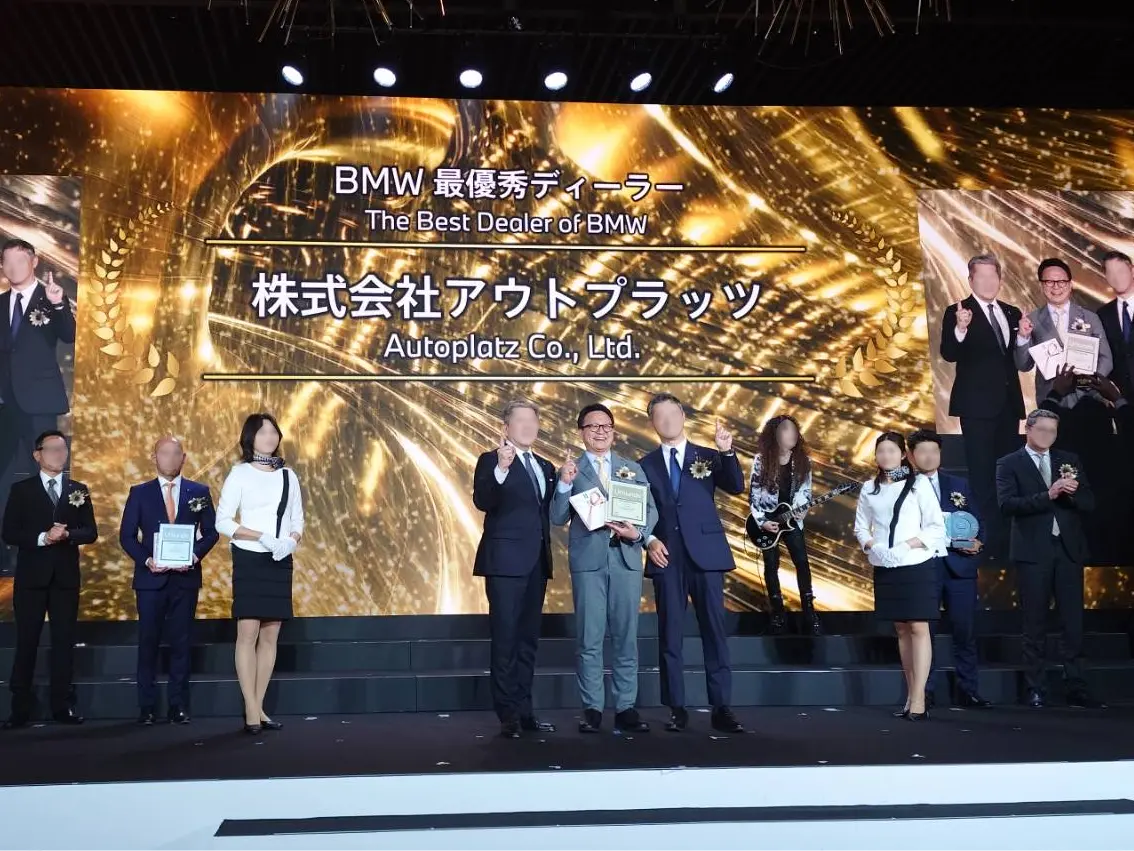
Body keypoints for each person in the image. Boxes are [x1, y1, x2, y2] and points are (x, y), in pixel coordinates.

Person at [640, 393, 746, 734]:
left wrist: (727, 451)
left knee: (714, 631)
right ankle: (676, 707)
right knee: (670, 634)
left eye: (672, 413)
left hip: (706, 555)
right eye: (660, 416)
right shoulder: (644, 465)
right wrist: (648, 539)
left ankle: (722, 707)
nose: (667, 420)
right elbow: (640, 512)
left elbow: (735, 485)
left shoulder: (709, 456)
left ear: (683, 416)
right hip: (666, 557)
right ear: (653, 423)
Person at [551, 403, 656, 734]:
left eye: (606, 426)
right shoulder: (571, 470)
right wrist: (564, 485)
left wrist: (638, 534)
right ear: (581, 432)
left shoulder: (631, 468)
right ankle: (592, 708)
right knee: (590, 637)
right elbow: (557, 517)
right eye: (593, 426)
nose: (600, 431)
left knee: (626, 636)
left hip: (625, 559)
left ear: (614, 431)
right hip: (589, 563)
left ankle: (626, 706)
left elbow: (650, 510)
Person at [996, 409, 1105, 709]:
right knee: (1035, 622)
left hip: (1068, 550)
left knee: (1073, 623)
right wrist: (1049, 494)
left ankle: (1077, 685)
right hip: (1033, 552)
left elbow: (1089, 502)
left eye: (1053, 431)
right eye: (1042, 430)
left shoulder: (1068, 460)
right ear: (1028, 429)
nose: (1047, 436)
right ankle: (1036, 687)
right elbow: (1007, 505)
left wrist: (1073, 493)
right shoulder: (1009, 463)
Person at [119, 436, 219, 725]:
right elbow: (127, 536)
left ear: (184, 458)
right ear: (154, 457)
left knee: (181, 643)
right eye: (165, 453)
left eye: (176, 453)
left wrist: (194, 556)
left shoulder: (199, 491)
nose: (171, 459)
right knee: (147, 642)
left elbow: (211, 532)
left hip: (185, 579)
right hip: (151, 579)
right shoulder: (140, 493)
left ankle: (178, 705)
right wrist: (148, 560)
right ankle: (147, 707)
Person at [472, 399, 557, 739]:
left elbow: (548, 511)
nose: (527, 426)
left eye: (532, 420)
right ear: (506, 428)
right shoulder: (491, 459)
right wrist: (502, 469)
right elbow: (483, 500)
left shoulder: (545, 466)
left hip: (537, 562)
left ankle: (525, 710)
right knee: (506, 638)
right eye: (520, 420)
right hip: (505, 562)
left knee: (527, 641)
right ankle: (507, 713)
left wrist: (565, 483)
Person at [215, 413, 304, 734]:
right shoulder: (239, 473)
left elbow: (298, 519)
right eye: (263, 432)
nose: (269, 437)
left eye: (273, 432)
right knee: (248, 632)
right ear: (250, 437)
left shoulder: (288, 475)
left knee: (270, 634)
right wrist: (261, 537)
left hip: (279, 558)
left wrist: (290, 541)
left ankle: (259, 706)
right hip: (250, 557)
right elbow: (223, 521)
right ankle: (251, 709)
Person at [1, 430, 97, 728]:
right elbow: (9, 533)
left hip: (65, 579)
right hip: (31, 579)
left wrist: (68, 534)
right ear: (37, 454)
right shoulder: (22, 490)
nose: (59, 454)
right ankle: (20, 708)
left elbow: (90, 532)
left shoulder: (78, 489)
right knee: (27, 642)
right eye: (53, 448)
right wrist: (44, 537)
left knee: (64, 642)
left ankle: (62, 706)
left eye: (63, 449)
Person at [853, 432, 946, 722]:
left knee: (918, 626)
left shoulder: (918, 484)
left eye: (892, 451)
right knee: (902, 629)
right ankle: (910, 694)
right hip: (885, 564)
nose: (886, 456)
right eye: (881, 451)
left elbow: (935, 526)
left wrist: (907, 546)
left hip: (916, 563)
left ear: (903, 454)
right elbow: (860, 527)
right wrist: (874, 546)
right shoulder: (870, 488)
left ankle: (919, 698)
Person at [939, 253, 1026, 558]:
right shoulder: (958, 311)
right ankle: (986, 540)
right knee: (982, 474)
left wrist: (1024, 338)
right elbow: (949, 353)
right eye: (982, 276)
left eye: (993, 276)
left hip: (1008, 406)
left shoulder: (1012, 312)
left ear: (1000, 279)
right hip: (976, 407)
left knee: (1008, 474)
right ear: (971, 279)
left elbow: (1018, 360)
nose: (988, 282)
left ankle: (1009, 540)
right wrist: (961, 329)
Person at [0, 239, 76, 570]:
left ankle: (46, 545)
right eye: (7, 261)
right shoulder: (1, 303)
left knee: (45, 476)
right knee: (4, 478)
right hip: (4, 404)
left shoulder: (51, 297)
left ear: (33, 262)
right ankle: (5, 550)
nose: (13, 267)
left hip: (39, 403)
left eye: (19, 260)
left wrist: (59, 305)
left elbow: (69, 335)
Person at [906, 429, 991, 709]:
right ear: (911, 455)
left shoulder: (959, 484)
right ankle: (923, 692)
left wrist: (978, 542)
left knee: (965, 631)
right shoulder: (903, 487)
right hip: (923, 568)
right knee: (924, 634)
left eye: (934, 451)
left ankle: (969, 689)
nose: (929, 456)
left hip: (959, 568)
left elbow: (978, 519)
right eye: (923, 451)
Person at [748, 414, 820, 636]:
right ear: (775, 434)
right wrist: (762, 521)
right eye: (786, 429)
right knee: (771, 565)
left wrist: (799, 510)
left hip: (791, 519)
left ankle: (809, 610)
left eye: (795, 430)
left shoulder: (803, 461)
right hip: (768, 520)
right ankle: (777, 612)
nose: (793, 434)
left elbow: (805, 491)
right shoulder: (761, 460)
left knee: (802, 562)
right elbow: (753, 494)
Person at [1014, 258, 1113, 408]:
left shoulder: (1090, 317)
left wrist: (1088, 383)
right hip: (1051, 398)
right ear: (1041, 285)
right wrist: (1023, 337)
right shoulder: (1031, 320)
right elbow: (1023, 365)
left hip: (1088, 399)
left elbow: (1106, 359)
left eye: (1062, 282)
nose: (1056, 287)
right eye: (1049, 282)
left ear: (1070, 284)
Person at [1098, 250, 1134, 400]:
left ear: (1132, 270)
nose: (1116, 277)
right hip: (1122, 401)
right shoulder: (1102, 314)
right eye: (1110, 273)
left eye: (1120, 271)